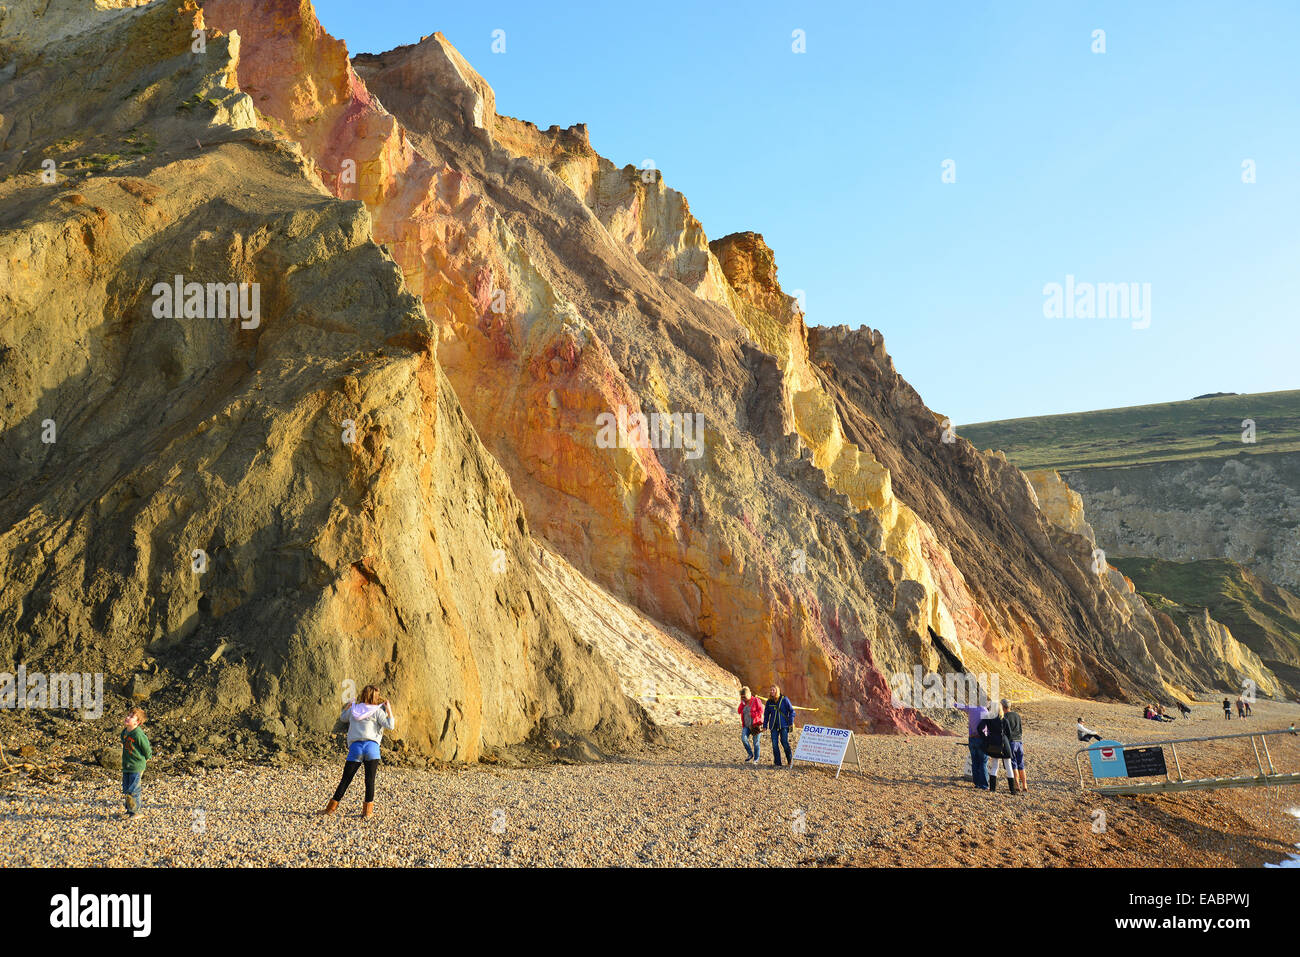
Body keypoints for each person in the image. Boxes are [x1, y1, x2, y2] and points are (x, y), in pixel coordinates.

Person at [319, 685, 395, 819]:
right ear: (375, 697)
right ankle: (367, 813)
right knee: (369, 780)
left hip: (356, 748)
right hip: (372, 748)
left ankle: (330, 809)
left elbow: (343, 718)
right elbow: (390, 726)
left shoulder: (355, 709)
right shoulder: (378, 711)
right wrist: (388, 710)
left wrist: (349, 705)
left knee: (346, 780)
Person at [121, 706, 152, 818]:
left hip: (137, 766)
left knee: (134, 789)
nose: (127, 717)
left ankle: (136, 812)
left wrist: (148, 757)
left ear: (137, 722)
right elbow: (124, 742)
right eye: (128, 715)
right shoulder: (125, 732)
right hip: (127, 765)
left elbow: (146, 748)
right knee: (127, 788)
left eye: (131, 716)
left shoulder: (138, 734)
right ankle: (129, 811)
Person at [955, 698, 991, 790]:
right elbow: (989, 727)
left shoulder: (971, 708)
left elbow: (960, 707)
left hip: (971, 738)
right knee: (983, 762)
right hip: (981, 739)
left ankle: (977, 783)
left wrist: (954, 703)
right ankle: (983, 785)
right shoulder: (985, 711)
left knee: (974, 762)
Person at [980, 701, 1015, 794]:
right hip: (1004, 743)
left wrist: (986, 737)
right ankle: (1012, 790)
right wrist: (1006, 739)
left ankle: (992, 789)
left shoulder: (988, 718)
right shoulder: (1004, 719)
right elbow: (1009, 734)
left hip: (993, 743)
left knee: (994, 766)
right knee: (1008, 766)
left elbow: (980, 728)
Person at [763, 684, 796, 767]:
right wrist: (764, 725)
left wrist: (790, 722)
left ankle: (790, 760)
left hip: (783, 725)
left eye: (773, 690)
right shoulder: (769, 702)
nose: (771, 691)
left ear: (777, 691)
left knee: (784, 742)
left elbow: (792, 711)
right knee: (774, 744)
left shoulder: (784, 699)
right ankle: (778, 763)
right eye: (771, 690)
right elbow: (766, 714)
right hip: (773, 726)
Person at [1002, 698, 1027, 794]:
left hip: (1011, 742)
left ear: (1003, 707)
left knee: (1013, 764)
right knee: (1021, 764)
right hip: (1019, 741)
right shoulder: (1017, 715)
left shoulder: (1004, 716)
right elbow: (1020, 729)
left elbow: (1004, 732)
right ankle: (1025, 785)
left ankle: (1017, 785)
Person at [738, 686, 763, 764]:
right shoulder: (743, 703)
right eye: (742, 697)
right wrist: (742, 704)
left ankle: (756, 759)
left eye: (744, 697)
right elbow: (739, 711)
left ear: (749, 694)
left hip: (755, 725)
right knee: (743, 739)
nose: (743, 698)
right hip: (746, 725)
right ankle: (750, 754)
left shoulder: (756, 700)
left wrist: (752, 714)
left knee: (756, 743)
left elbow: (761, 711)